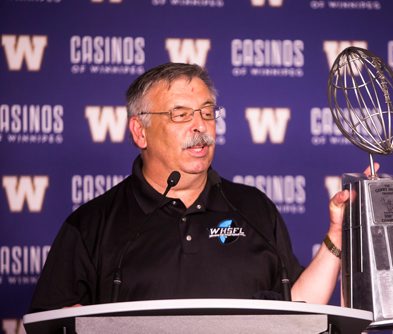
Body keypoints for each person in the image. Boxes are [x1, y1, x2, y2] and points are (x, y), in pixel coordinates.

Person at [29, 63, 356, 312]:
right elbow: (53, 323)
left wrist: (337, 235)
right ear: (140, 132)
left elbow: (296, 311)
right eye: (181, 115)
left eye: (207, 112)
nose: (200, 126)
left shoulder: (255, 208)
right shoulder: (90, 225)